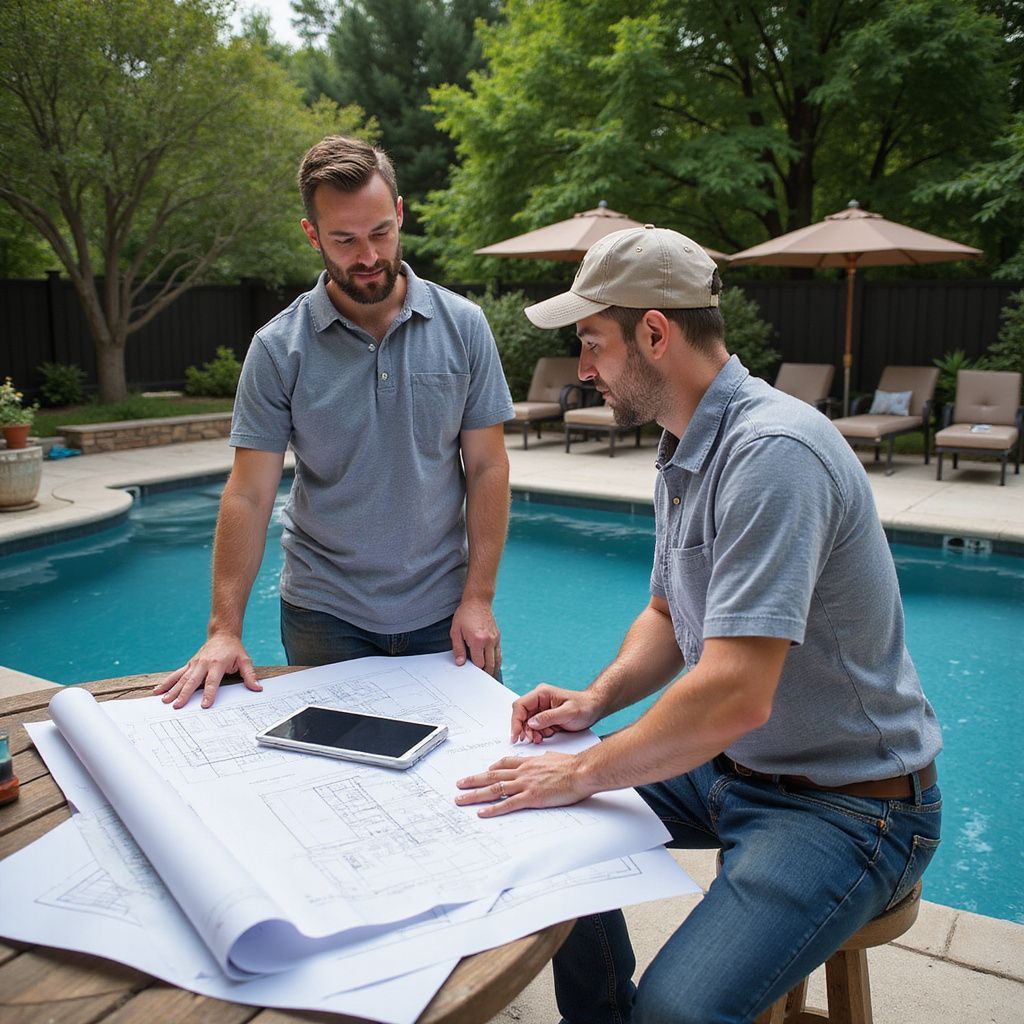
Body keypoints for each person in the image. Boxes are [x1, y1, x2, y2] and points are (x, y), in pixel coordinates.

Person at [455, 225, 942, 1023]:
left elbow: (735, 694)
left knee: (677, 1013)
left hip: (851, 805)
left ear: (655, 332)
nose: (582, 370)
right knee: (535, 835)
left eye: (591, 343)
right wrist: (596, 701)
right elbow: (665, 610)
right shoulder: (687, 448)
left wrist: (584, 769)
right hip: (736, 770)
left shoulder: (773, 454)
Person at [156, 135, 514, 710]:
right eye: (344, 240)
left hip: (445, 607)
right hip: (324, 615)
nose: (368, 256)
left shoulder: (464, 326)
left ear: (399, 213)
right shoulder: (277, 348)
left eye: (380, 232)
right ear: (312, 234)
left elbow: (489, 467)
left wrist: (479, 596)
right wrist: (224, 628)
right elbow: (249, 494)